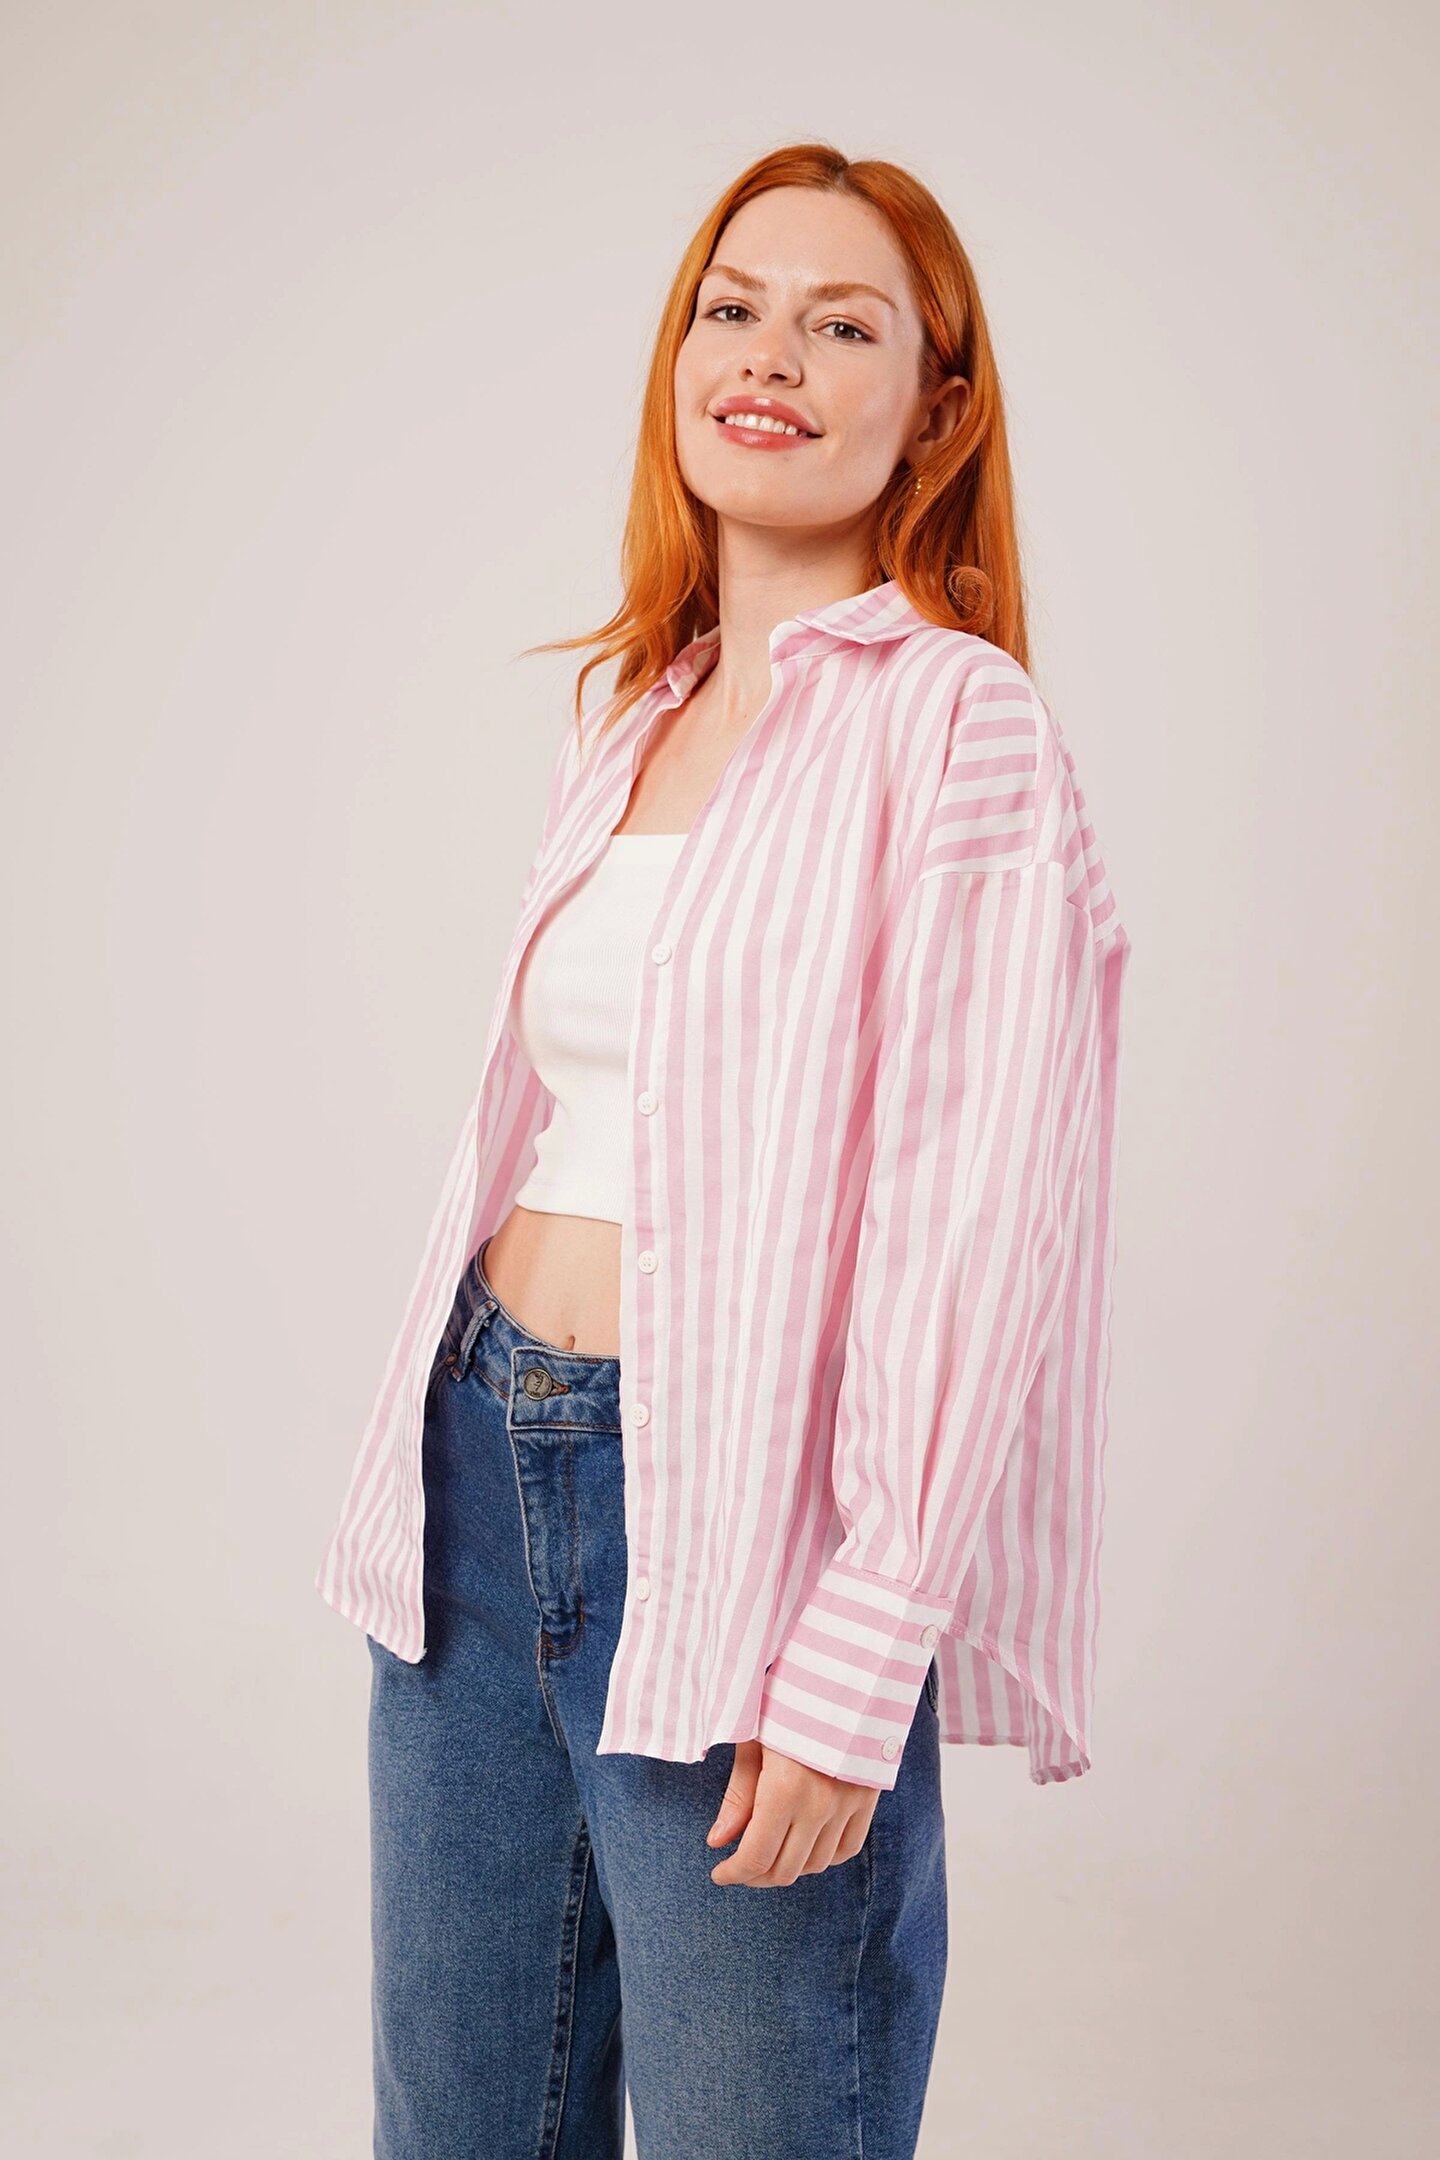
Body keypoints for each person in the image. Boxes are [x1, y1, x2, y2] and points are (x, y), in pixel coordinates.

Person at [317, 140, 1133, 2159]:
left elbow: (971, 1225)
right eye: (732, 307)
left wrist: (861, 1653)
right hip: (474, 1470)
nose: (768, 357)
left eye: (843, 325)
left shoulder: (961, 729)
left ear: (934, 411)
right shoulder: (635, 709)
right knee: (457, 2124)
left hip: (744, 1529)